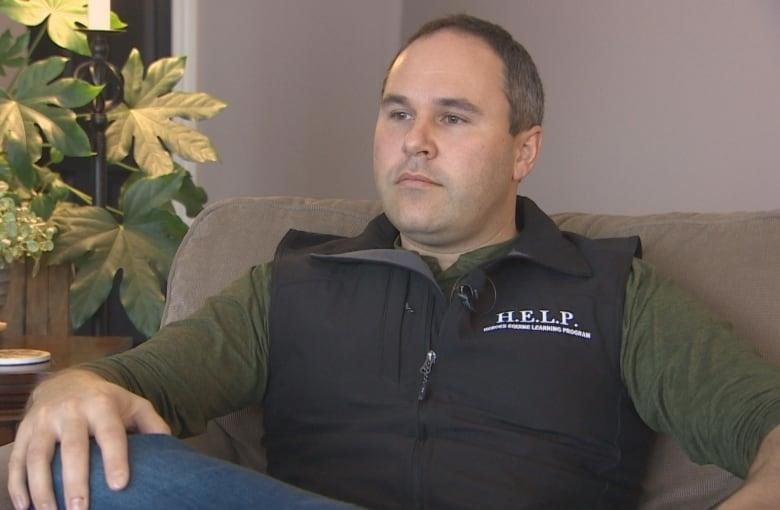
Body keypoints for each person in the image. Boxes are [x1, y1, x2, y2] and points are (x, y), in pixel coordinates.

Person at [7, 13, 780, 510]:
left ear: (524, 149)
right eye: (399, 113)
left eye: (453, 116)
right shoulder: (290, 287)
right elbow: (137, 381)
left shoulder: (615, 292)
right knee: (103, 468)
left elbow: (767, 425)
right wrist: (75, 390)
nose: (416, 140)